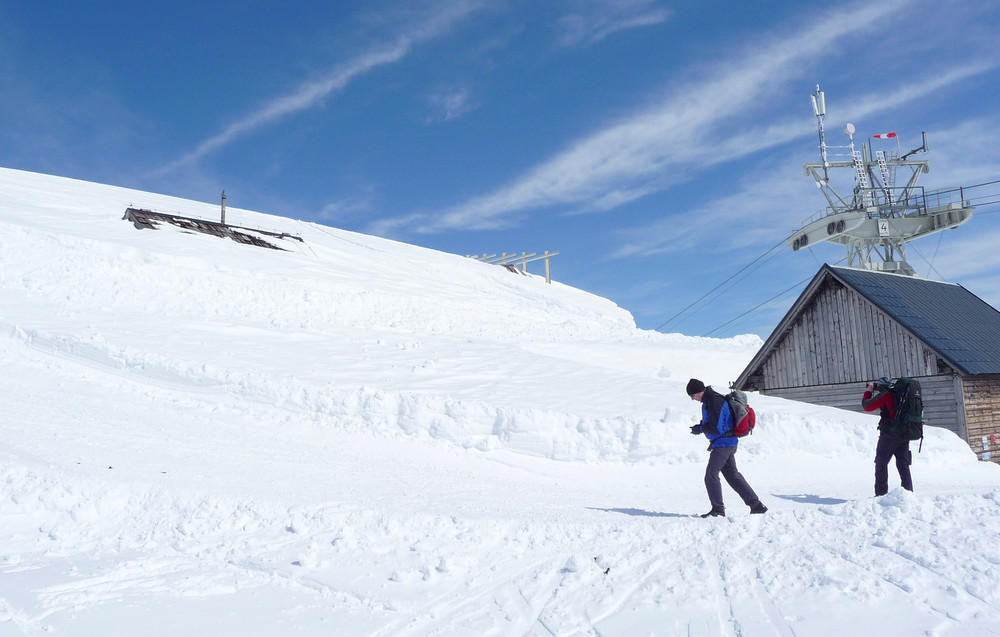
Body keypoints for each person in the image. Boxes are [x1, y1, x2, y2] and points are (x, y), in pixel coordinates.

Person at [686, 378, 767, 518]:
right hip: (726, 442)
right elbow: (715, 422)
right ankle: (756, 505)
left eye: (692, 396)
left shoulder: (714, 401)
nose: (693, 399)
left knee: (711, 475)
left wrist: (700, 429)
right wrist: (700, 427)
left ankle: (718, 510)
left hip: (723, 443)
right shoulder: (710, 401)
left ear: (698, 391)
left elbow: (716, 427)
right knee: (732, 475)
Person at [862, 378, 913, 496]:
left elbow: (867, 406)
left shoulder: (887, 395)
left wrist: (869, 390)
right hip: (905, 434)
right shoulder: (904, 395)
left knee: (881, 463)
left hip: (889, 435)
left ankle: (881, 495)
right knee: (903, 464)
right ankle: (908, 494)